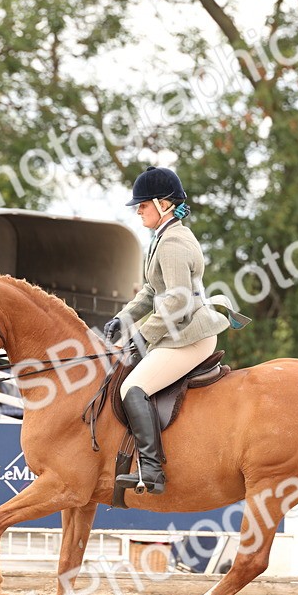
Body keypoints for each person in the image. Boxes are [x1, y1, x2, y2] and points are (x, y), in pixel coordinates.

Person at [102, 165, 233, 495]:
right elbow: (150, 290)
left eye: (143, 205)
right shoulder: (163, 237)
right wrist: (124, 319)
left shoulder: (173, 242)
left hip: (190, 335)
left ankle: (152, 470)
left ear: (163, 204)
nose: (139, 211)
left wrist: (143, 336)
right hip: (176, 332)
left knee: (133, 387)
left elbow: (176, 301)